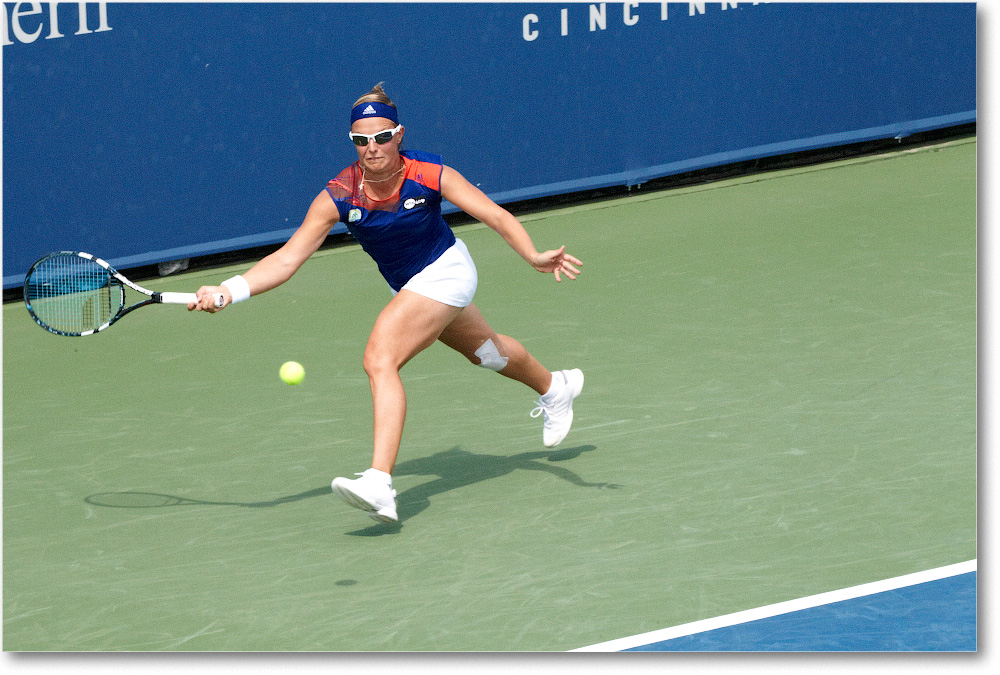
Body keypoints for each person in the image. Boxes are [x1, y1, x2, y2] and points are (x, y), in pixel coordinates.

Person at [189, 84, 584, 524]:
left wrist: (532, 255)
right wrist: (228, 289)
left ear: (399, 135)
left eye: (381, 137)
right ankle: (555, 388)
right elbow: (286, 258)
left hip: (447, 271)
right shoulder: (339, 194)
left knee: (380, 359)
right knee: (486, 353)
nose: (371, 148)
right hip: (410, 286)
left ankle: (379, 482)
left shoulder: (429, 172)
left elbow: (493, 214)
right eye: (361, 140)